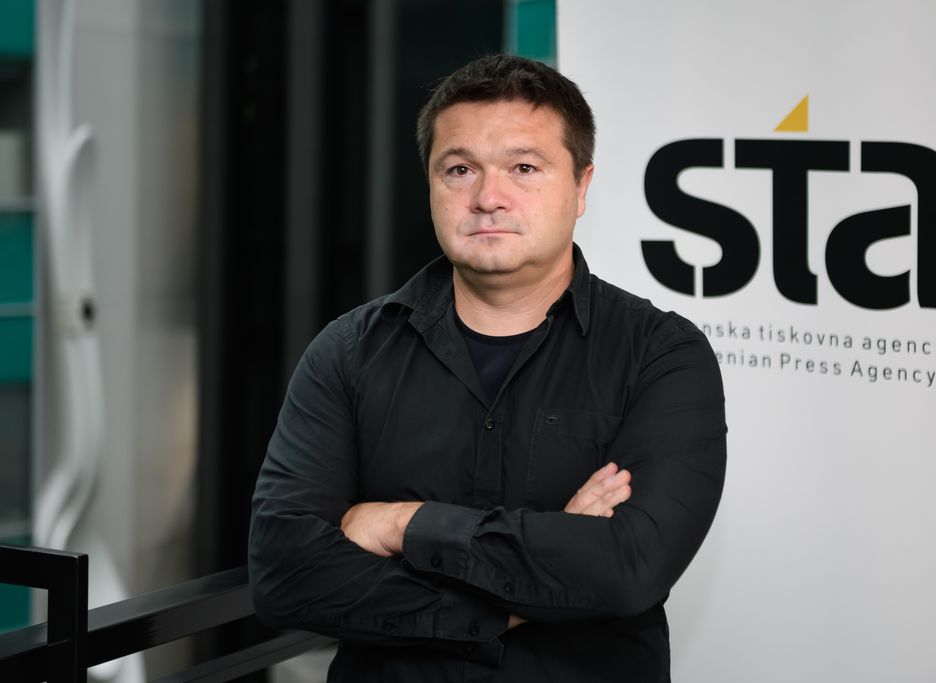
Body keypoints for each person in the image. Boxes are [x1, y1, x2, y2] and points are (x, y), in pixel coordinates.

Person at [249, 54, 726, 682]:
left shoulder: (661, 354)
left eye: (524, 168)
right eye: (460, 169)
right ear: (430, 184)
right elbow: (285, 574)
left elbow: (626, 569)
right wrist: (531, 587)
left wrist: (401, 524)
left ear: (581, 186)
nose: (488, 198)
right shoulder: (349, 351)